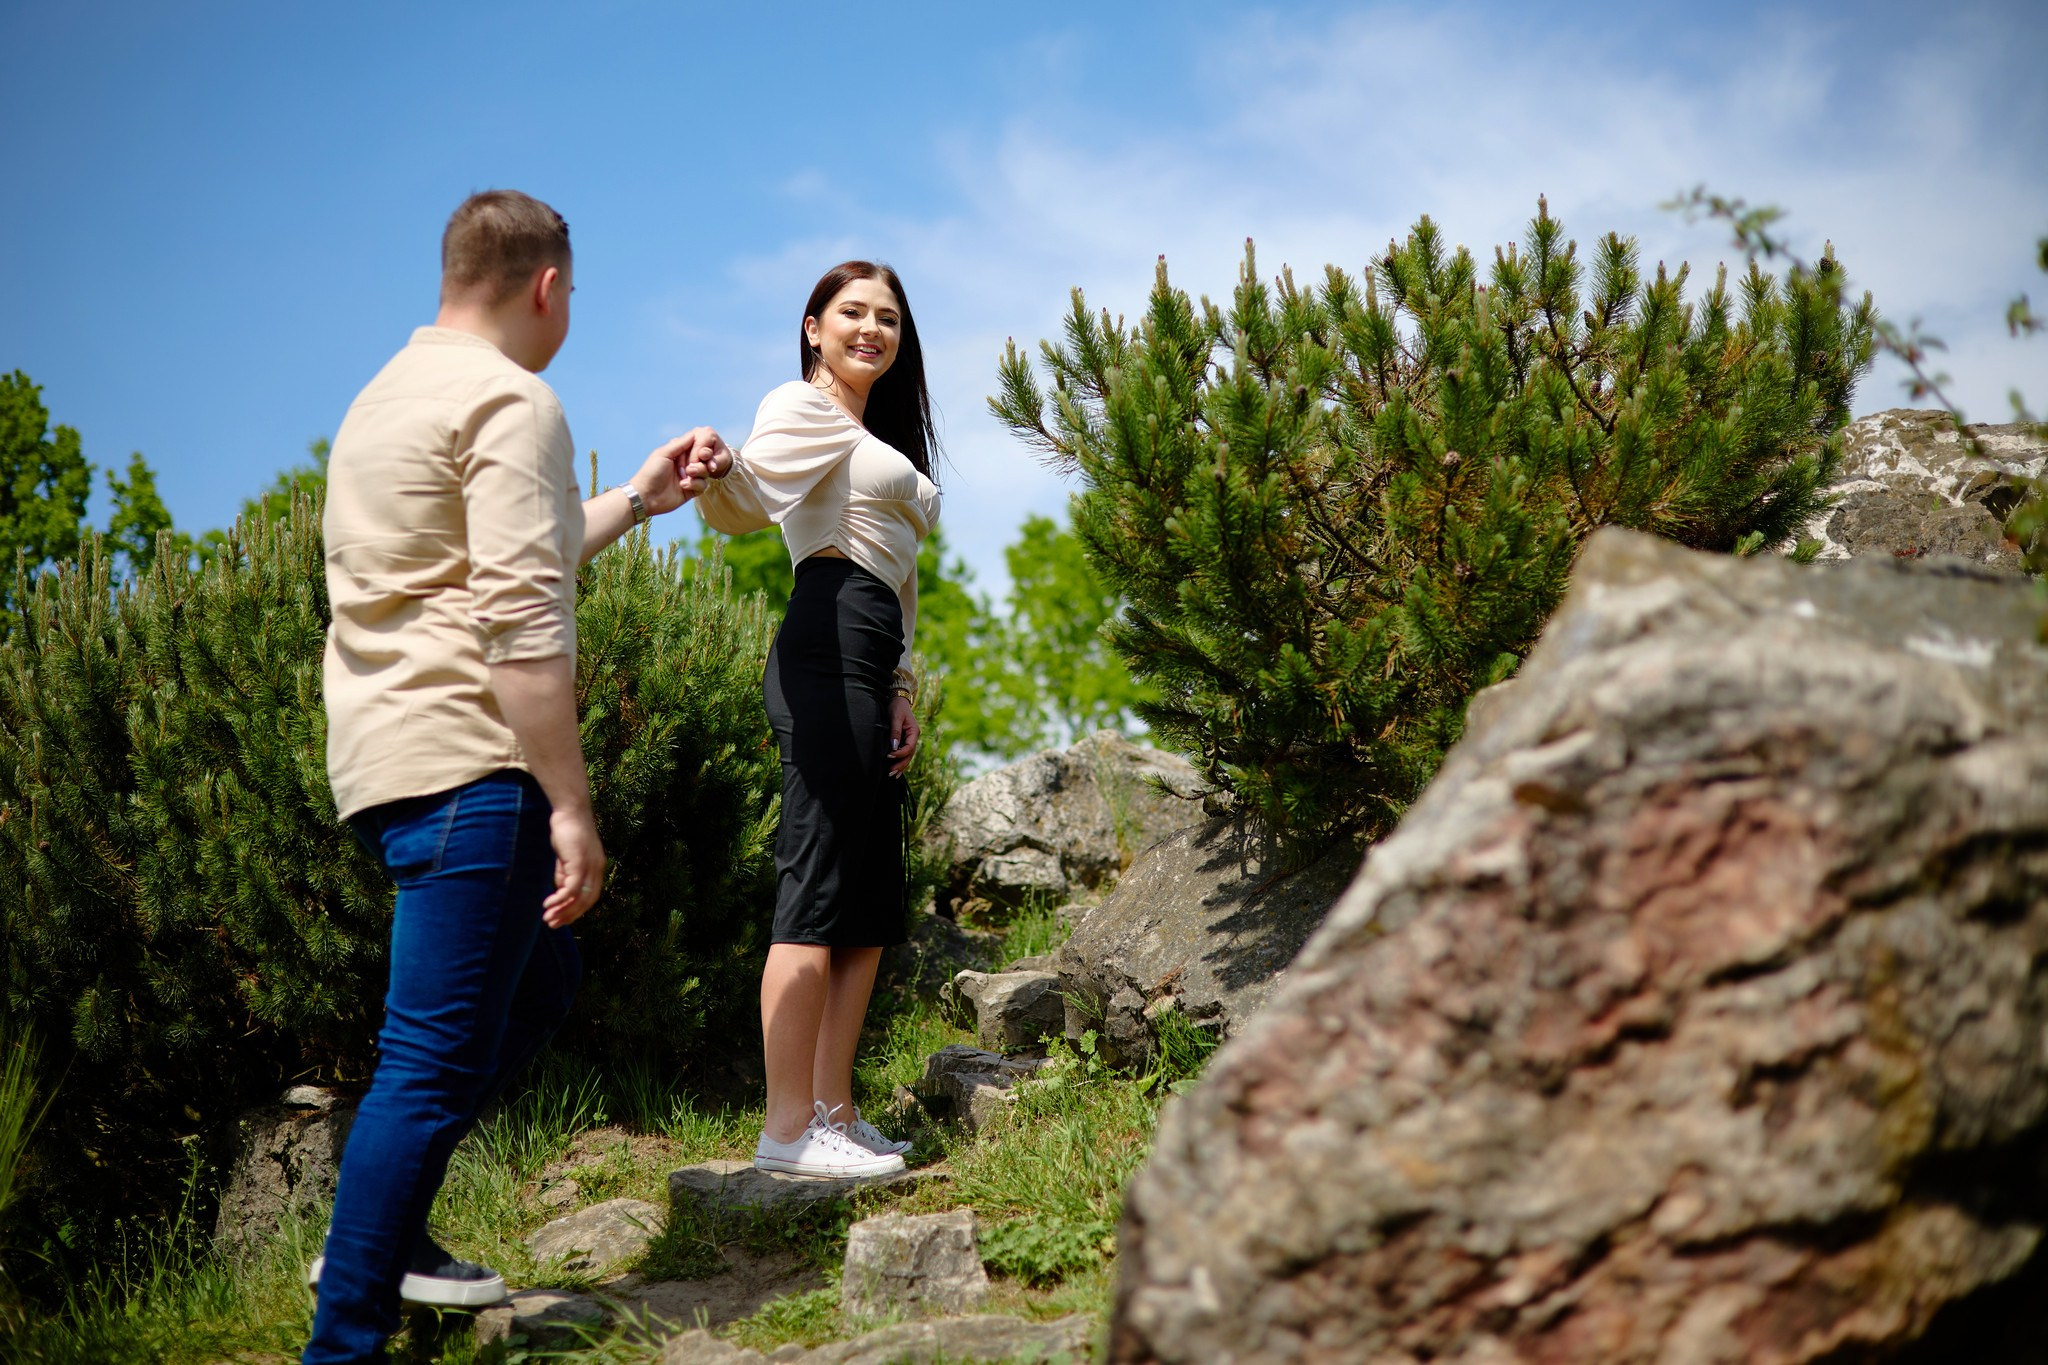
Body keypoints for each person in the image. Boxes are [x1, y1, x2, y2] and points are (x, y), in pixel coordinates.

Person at [305, 189, 729, 1365]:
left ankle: (386, 1232)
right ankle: (345, 1326)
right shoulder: (510, 399)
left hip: (383, 767)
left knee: (539, 986)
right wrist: (571, 807)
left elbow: (494, 560)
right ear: (546, 287)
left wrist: (637, 500)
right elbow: (520, 620)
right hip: (473, 770)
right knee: (427, 1067)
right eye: (572, 294)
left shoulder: (382, 398)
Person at [696, 261, 942, 1179]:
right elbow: (748, 497)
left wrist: (902, 684)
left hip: (871, 659)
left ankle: (835, 1111)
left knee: (867, 902)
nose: (871, 328)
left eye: (888, 317)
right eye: (852, 312)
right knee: (816, 888)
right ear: (813, 327)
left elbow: (901, 577)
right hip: (826, 643)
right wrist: (717, 470)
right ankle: (787, 1128)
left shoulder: (877, 436)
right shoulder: (800, 407)